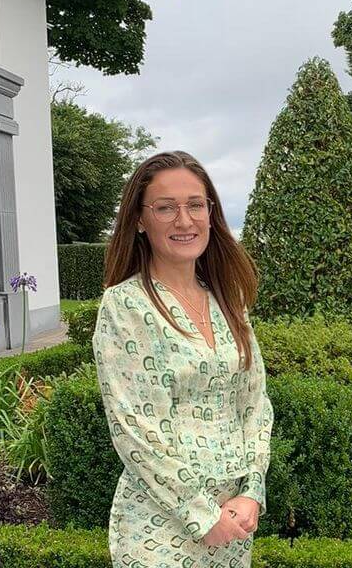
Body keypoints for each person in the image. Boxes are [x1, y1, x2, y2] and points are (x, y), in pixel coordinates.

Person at [93, 151, 273, 568]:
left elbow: (254, 405)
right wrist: (201, 515)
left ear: (211, 213)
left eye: (195, 204)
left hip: (234, 521)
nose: (185, 220)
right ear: (140, 219)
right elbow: (135, 428)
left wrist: (251, 491)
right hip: (162, 528)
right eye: (165, 207)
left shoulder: (228, 301)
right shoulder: (126, 306)